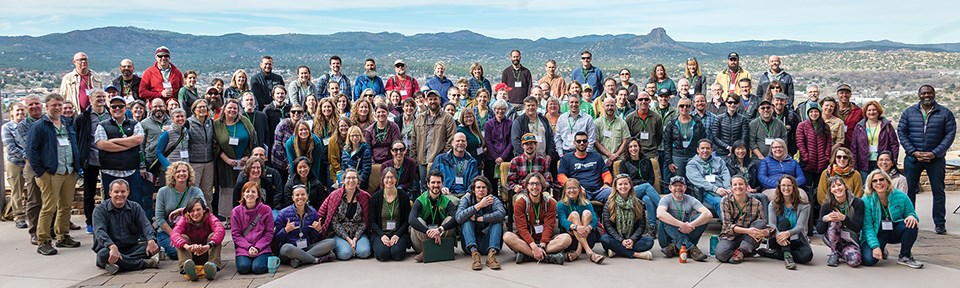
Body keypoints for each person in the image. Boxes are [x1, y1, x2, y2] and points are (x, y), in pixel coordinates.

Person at [898, 85, 956, 234]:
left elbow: (949, 135)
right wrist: (913, 152)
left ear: (934, 94)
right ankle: (909, 220)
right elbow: (902, 132)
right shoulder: (909, 112)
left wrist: (935, 153)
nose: (926, 95)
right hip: (913, 159)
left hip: (935, 159)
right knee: (909, 191)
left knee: (938, 191)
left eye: (929, 93)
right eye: (923, 93)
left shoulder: (945, 113)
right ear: (919, 95)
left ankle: (940, 224)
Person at [94, 96, 150, 225]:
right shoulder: (102, 125)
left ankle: (136, 231)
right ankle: (113, 231)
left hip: (131, 171)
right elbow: (102, 144)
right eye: (114, 107)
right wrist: (128, 145)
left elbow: (138, 140)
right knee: (111, 205)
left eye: (120, 106)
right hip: (110, 172)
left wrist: (113, 141)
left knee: (135, 203)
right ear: (110, 108)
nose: (117, 109)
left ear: (126, 108)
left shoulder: (135, 124)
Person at [92, 179, 160, 275]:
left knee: (155, 244)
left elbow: (146, 225)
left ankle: (118, 264)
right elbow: (99, 232)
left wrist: (151, 240)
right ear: (110, 193)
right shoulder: (100, 210)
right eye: (116, 192)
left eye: (123, 191)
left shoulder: (135, 207)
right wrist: (112, 246)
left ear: (128, 192)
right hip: (109, 248)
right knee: (103, 255)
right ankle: (143, 263)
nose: (120, 195)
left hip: (131, 247)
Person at [860, 170, 924, 268]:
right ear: (871, 184)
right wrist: (875, 246)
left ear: (888, 181)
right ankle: (881, 247)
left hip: (894, 230)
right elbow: (867, 226)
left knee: (911, 224)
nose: (879, 183)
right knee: (868, 260)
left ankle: (905, 256)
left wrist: (911, 216)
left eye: (881, 180)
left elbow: (911, 212)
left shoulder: (900, 195)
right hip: (877, 232)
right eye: (875, 181)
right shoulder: (866, 200)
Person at [502, 173, 571, 264]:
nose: (534, 187)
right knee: (507, 236)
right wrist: (533, 246)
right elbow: (522, 228)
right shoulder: (520, 203)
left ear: (542, 186)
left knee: (567, 238)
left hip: (546, 242)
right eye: (531, 184)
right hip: (526, 241)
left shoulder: (550, 203)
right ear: (527, 186)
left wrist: (542, 245)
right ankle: (547, 257)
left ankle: (527, 255)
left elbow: (549, 226)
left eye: (537, 184)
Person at [213, 99, 257, 218]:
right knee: (227, 190)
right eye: (230, 108)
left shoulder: (245, 122)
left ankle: (245, 216)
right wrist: (227, 160)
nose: (232, 110)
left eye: (235, 108)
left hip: (244, 163)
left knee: (244, 189)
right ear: (224, 110)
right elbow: (214, 145)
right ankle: (228, 217)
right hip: (225, 164)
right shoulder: (217, 124)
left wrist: (247, 157)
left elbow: (253, 140)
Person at [275, 185, 336, 268]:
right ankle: (316, 260)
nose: (300, 197)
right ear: (293, 198)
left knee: (332, 242)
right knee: (286, 248)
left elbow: (312, 237)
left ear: (307, 196)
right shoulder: (283, 213)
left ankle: (300, 260)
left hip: (306, 247)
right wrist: (286, 230)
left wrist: (317, 230)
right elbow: (277, 239)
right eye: (297, 195)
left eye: (303, 194)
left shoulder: (313, 212)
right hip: (290, 250)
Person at [72, 90, 107, 233]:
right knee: (89, 193)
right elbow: (77, 138)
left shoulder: (110, 115)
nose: (101, 99)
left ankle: (107, 221)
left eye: (103, 97)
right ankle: (90, 222)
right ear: (90, 99)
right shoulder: (82, 118)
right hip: (90, 160)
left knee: (110, 191)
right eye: (98, 97)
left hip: (107, 159)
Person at [154, 162, 205, 260]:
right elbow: (159, 219)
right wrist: (174, 235)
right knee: (175, 252)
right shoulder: (163, 192)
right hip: (168, 231)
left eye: (184, 171)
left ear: (189, 174)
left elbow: (204, 210)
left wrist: (183, 210)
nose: (181, 173)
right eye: (178, 171)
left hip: (189, 230)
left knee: (198, 248)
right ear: (173, 174)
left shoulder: (196, 191)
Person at [318, 168, 372, 260]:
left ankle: (355, 246)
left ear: (358, 180)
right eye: (348, 178)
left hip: (358, 233)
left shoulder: (364, 196)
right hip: (340, 233)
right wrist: (348, 239)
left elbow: (365, 221)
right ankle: (346, 246)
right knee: (345, 254)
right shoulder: (335, 196)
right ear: (344, 180)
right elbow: (334, 222)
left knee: (364, 252)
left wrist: (355, 238)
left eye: (354, 178)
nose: (351, 180)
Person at [760, 175, 813, 269]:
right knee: (784, 222)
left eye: (789, 185)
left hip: (795, 239)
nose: (786, 188)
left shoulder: (804, 206)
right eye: (783, 185)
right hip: (777, 238)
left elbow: (800, 226)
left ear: (794, 187)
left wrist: (788, 234)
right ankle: (788, 256)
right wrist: (780, 236)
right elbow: (772, 224)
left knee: (807, 256)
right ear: (779, 187)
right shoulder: (773, 204)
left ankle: (776, 254)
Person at [715, 176, 769, 264]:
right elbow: (727, 226)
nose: (738, 187)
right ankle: (745, 250)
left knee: (760, 223)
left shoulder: (756, 202)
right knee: (721, 255)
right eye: (735, 185)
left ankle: (741, 251)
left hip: (749, 238)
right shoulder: (725, 201)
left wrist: (766, 232)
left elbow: (763, 224)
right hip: (731, 236)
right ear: (731, 187)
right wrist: (748, 231)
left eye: (740, 184)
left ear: (746, 186)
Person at [455, 176, 505, 270]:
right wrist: (479, 206)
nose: (481, 190)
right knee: (466, 220)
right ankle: (475, 256)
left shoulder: (493, 199)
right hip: (470, 244)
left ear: (488, 190)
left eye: (483, 187)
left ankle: (491, 256)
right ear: (473, 190)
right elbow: (458, 217)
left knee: (497, 221)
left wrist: (480, 218)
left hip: (489, 243)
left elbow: (502, 213)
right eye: (478, 187)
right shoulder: (467, 199)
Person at [600, 175, 655, 260]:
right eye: (620, 184)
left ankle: (617, 250)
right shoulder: (609, 204)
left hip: (633, 239)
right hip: (615, 238)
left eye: (626, 184)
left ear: (630, 186)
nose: (623, 187)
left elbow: (641, 226)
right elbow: (608, 226)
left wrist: (632, 240)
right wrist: (621, 240)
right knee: (604, 239)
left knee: (649, 241)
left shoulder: (638, 203)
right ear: (616, 187)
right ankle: (636, 254)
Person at [656, 176, 711, 261]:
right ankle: (691, 249)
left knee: (702, 219)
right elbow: (660, 214)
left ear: (685, 188)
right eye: (675, 185)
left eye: (681, 185)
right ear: (670, 187)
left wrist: (691, 225)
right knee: (665, 218)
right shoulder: (666, 199)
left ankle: (674, 247)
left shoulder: (690, 199)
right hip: (667, 239)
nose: (678, 188)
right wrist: (681, 224)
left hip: (686, 233)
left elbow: (708, 214)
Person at [409, 170, 459, 262]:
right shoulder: (420, 200)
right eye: (433, 182)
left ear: (442, 184)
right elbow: (411, 219)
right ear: (428, 184)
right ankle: (432, 250)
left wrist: (439, 230)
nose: (436, 185)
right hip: (421, 242)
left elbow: (456, 218)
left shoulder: (447, 201)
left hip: (441, 236)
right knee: (418, 220)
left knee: (449, 219)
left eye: (438, 182)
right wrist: (428, 231)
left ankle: (428, 252)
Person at [171, 197, 224, 281]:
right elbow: (174, 233)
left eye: (198, 210)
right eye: (192, 210)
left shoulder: (210, 217)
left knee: (214, 236)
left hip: (207, 252)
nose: (195, 213)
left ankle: (212, 266)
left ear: (204, 210)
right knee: (182, 237)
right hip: (190, 254)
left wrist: (208, 245)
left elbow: (220, 229)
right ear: (187, 212)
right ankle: (186, 267)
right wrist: (186, 246)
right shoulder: (184, 219)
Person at [412, 90, 457, 188]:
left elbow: (451, 140)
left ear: (440, 100)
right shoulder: (419, 118)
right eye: (430, 99)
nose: (433, 101)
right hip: (422, 161)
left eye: (435, 99)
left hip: (439, 161)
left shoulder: (448, 118)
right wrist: (414, 158)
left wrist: (442, 157)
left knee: (438, 188)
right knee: (424, 188)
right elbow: (414, 140)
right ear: (426, 101)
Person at [816, 177, 864, 267]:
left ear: (845, 186)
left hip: (851, 239)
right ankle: (834, 252)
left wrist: (844, 218)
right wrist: (825, 219)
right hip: (832, 238)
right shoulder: (826, 205)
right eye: (833, 186)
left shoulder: (857, 202)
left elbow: (858, 226)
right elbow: (819, 230)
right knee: (835, 220)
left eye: (839, 185)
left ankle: (842, 252)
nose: (837, 188)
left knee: (855, 261)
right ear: (830, 190)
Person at [556, 178, 605, 264]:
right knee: (574, 214)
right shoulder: (560, 204)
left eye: (574, 188)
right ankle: (589, 252)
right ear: (565, 190)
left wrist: (588, 228)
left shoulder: (587, 203)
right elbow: (563, 221)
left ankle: (578, 252)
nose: (572, 190)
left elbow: (594, 219)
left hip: (588, 237)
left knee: (587, 213)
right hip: (570, 237)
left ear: (579, 190)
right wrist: (576, 227)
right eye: (569, 188)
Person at [230, 181, 274, 275]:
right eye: (247, 191)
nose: (250, 194)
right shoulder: (236, 212)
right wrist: (248, 247)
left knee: (257, 268)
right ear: (243, 195)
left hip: (262, 248)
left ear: (258, 195)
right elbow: (236, 235)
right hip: (244, 248)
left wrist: (257, 247)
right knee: (243, 268)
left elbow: (269, 233)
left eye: (253, 192)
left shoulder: (266, 210)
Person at [368, 168, 412, 261]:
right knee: (383, 254)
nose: (389, 180)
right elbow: (372, 222)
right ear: (382, 180)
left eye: (392, 177)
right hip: (380, 233)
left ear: (396, 179)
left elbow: (407, 220)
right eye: (387, 177)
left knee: (397, 254)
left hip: (398, 233)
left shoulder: (403, 197)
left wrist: (397, 235)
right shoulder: (375, 198)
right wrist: (382, 235)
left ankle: (395, 247)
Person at [558, 132, 612, 203]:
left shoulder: (597, 157)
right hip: (580, 191)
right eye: (578, 141)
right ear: (574, 143)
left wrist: (606, 184)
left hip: (598, 191)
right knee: (578, 194)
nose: (582, 143)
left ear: (587, 143)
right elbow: (561, 176)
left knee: (612, 193)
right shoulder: (566, 158)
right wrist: (574, 187)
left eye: (584, 141)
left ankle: (607, 214)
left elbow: (606, 174)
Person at [850, 100, 899, 179]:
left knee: (881, 185)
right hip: (864, 163)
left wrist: (893, 161)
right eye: (869, 110)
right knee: (866, 187)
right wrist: (855, 164)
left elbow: (894, 144)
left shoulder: (886, 125)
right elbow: (854, 146)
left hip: (882, 162)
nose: (871, 112)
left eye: (874, 110)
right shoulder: (859, 127)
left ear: (878, 111)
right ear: (865, 112)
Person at [686, 140, 732, 216]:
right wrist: (716, 189)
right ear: (698, 150)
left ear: (712, 150)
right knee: (721, 202)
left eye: (708, 148)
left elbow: (726, 175)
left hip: (723, 188)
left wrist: (728, 188)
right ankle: (728, 226)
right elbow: (699, 181)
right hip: (706, 191)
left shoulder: (719, 160)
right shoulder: (692, 164)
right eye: (702, 148)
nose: (705, 151)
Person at [796, 103, 832, 195]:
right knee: (807, 187)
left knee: (820, 188)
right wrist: (805, 157)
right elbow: (800, 142)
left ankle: (817, 207)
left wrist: (826, 157)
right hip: (807, 163)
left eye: (816, 111)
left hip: (822, 163)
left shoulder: (825, 126)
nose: (813, 114)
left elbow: (829, 143)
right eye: (811, 112)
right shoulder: (802, 125)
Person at [664, 98, 706, 178]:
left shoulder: (697, 123)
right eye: (682, 106)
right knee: (679, 181)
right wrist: (669, 162)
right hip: (677, 157)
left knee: (694, 181)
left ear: (691, 108)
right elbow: (667, 143)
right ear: (677, 107)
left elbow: (702, 140)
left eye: (687, 106)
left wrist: (701, 158)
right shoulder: (672, 124)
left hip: (693, 156)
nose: (684, 108)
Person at [2, 102, 27, 228]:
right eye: (17, 111)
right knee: (17, 190)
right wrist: (27, 156)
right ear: (11, 112)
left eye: (22, 110)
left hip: (29, 163)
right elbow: (11, 147)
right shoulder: (7, 127)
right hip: (15, 162)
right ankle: (19, 216)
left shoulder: (29, 125)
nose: (20, 113)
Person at [186, 100, 216, 205]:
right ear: (194, 110)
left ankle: (208, 214)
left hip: (209, 162)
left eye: (204, 107)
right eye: (200, 107)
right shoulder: (188, 123)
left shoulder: (210, 122)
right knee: (194, 191)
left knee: (207, 192)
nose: (203, 109)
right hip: (195, 162)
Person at [510, 96, 556, 161]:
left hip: (544, 159)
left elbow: (550, 138)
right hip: (526, 159)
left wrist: (549, 155)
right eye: (528, 105)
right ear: (524, 107)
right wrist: (527, 155)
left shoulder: (543, 119)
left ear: (537, 106)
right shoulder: (518, 122)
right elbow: (515, 141)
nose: (530, 108)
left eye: (533, 105)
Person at [483, 99, 513, 195]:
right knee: (492, 184)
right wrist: (496, 157)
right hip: (491, 158)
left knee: (506, 182)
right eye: (498, 109)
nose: (500, 111)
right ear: (494, 110)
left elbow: (511, 142)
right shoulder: (488, 124)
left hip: (506, 157)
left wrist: (502, 157)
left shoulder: (510, 123)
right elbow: (488, 141)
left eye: (503, 109)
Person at [625, 92, 662, 160]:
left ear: (649, 101)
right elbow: (628, 137)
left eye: (646, 99)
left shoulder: (657, 118)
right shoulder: (630, 118)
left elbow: (659, 137)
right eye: (641, 99)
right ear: (636, 101)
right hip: (635, 153)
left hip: (651, 153)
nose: (643, 101)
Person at [594, 97, 629, 167]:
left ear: (615, 106)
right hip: (602, 159)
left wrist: (615, 155)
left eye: (612, 105)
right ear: (603, 107)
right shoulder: (597, 122)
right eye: (607, 105)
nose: (610, 107)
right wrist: (609, 155)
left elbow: (626, 140)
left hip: (619, 159)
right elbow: (596, 142)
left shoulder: (622, 122)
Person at [155, 108, 190, 172]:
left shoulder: (186, 131)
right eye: (177, 116)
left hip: (184, 167)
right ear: (172, 119)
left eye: (182, 116)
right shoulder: (167, 133)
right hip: (171, 168)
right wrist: (168, 166)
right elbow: (158, 152)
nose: (180, 118)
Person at [341, 126, 372, 191]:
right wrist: (343, 180)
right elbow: (343, 168)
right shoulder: (345, 150)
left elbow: (366, 171)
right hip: (347, 182)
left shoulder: (365, 150)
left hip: (360, 183)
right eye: (352, 136)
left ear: (360, 136)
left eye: (357, 135)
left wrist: (357, 182)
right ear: (349, 137)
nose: (355, 138)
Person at [263, 85, 290, 153]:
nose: (280, 95)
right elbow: (265, 129)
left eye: (282, 93)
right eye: (277, 93)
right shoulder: (267, 110)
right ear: (273, 95)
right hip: (273, 142)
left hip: (288, 142)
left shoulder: (290, 109)